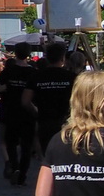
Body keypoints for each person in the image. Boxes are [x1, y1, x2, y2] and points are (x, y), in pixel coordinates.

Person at [33, 42, 78, 175]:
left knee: (48, 157)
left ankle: (49, 179)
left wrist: (36, 111)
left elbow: (25, 100)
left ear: (47, 57)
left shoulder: (38, 76)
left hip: (44, 120)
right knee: (67, 155)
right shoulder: (71, 77)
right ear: (63, 58)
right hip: (66, 121)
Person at [0, 43, 39, 186]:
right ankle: (22, 175)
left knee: (11, 143)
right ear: (28, 54)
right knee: (26, 146)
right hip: (27, 112)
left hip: (10, 111)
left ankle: (14, 167)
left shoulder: (8, 71)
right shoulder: (33, 72)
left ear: (15, 53)